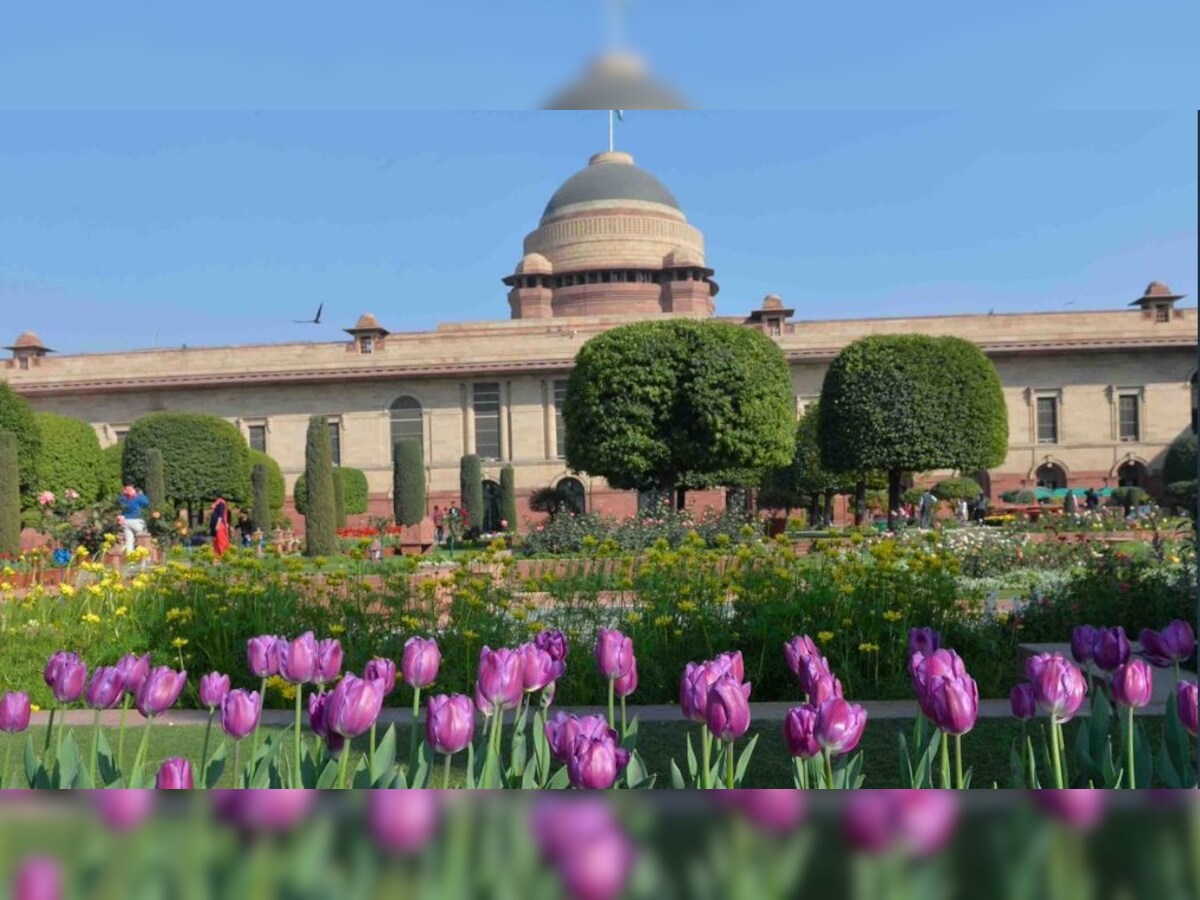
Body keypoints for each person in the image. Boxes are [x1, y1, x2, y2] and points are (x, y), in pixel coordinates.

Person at [118, 485, 151, 554]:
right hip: (136, 521)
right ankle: (145, 560)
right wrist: (141, 494)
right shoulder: (137, 497)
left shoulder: (123, 498)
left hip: (125, 521)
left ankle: (130, 561)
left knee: (129, 541)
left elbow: (119, 500)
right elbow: (146, 503)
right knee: (143, 539)